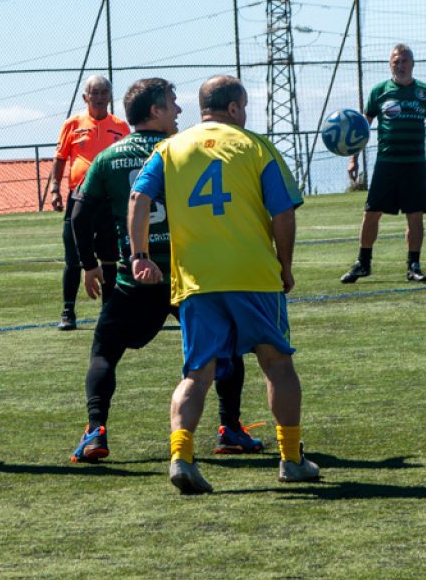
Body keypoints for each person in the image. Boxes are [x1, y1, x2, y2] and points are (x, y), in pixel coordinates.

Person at [129, 74, 319, 494]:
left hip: (198, 282)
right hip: (253, 276)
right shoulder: (255, 146)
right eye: (244, 106)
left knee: (197, 373)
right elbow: (283, 212)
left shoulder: (169, 149)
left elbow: (138, 199)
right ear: (233, 108)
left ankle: (181, 456)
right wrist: (285, 265)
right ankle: (291, 459)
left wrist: (139, 255)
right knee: (277, 364)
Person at [68, 78, 262, 463]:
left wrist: (89, 265)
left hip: (134, 275)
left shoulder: (107, 157)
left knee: (105, 351)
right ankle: (230, 428)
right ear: (155, 111)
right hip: (187, 274)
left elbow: (78, 216)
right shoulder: (182, 150)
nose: (178, 111)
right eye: (172, 104)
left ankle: (95, 432)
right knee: (222, 348)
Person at [341, 44, 426, 284]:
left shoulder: (424, 92)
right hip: (386, 163)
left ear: (412, 64)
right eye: (396, 62)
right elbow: (362, 127)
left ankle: (414, 266)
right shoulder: (379, 91)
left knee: (415, 215)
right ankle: (363, 263)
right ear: (390, 64)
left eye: (404, 61)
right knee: (371, 213)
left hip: (414, 163)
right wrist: (353, 158)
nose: (400, 66)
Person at [48, 75, 130, 331]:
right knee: (73, 257)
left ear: (110, 95)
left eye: (104, 91)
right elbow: (61, 158)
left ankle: (108, 312)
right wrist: (54, 189)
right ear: (85, 97)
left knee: (109, 257)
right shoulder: (72, 124)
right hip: (79, 199)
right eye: (94, 92)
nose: (99, 96)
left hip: (108, 201)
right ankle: (68, 311)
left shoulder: (121, 126)